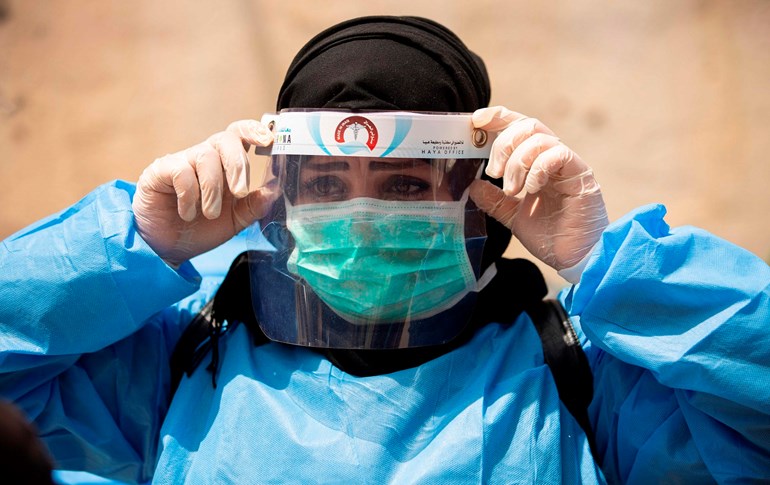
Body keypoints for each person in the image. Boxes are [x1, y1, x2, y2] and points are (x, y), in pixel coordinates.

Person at [1, 15, 768, 484]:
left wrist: (607, 263)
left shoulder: (582, 371)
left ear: (477, 196)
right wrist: (133, 245)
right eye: (327, 185)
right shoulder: (185, 358)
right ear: (282, 201)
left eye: (404, 184)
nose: (361, 220)